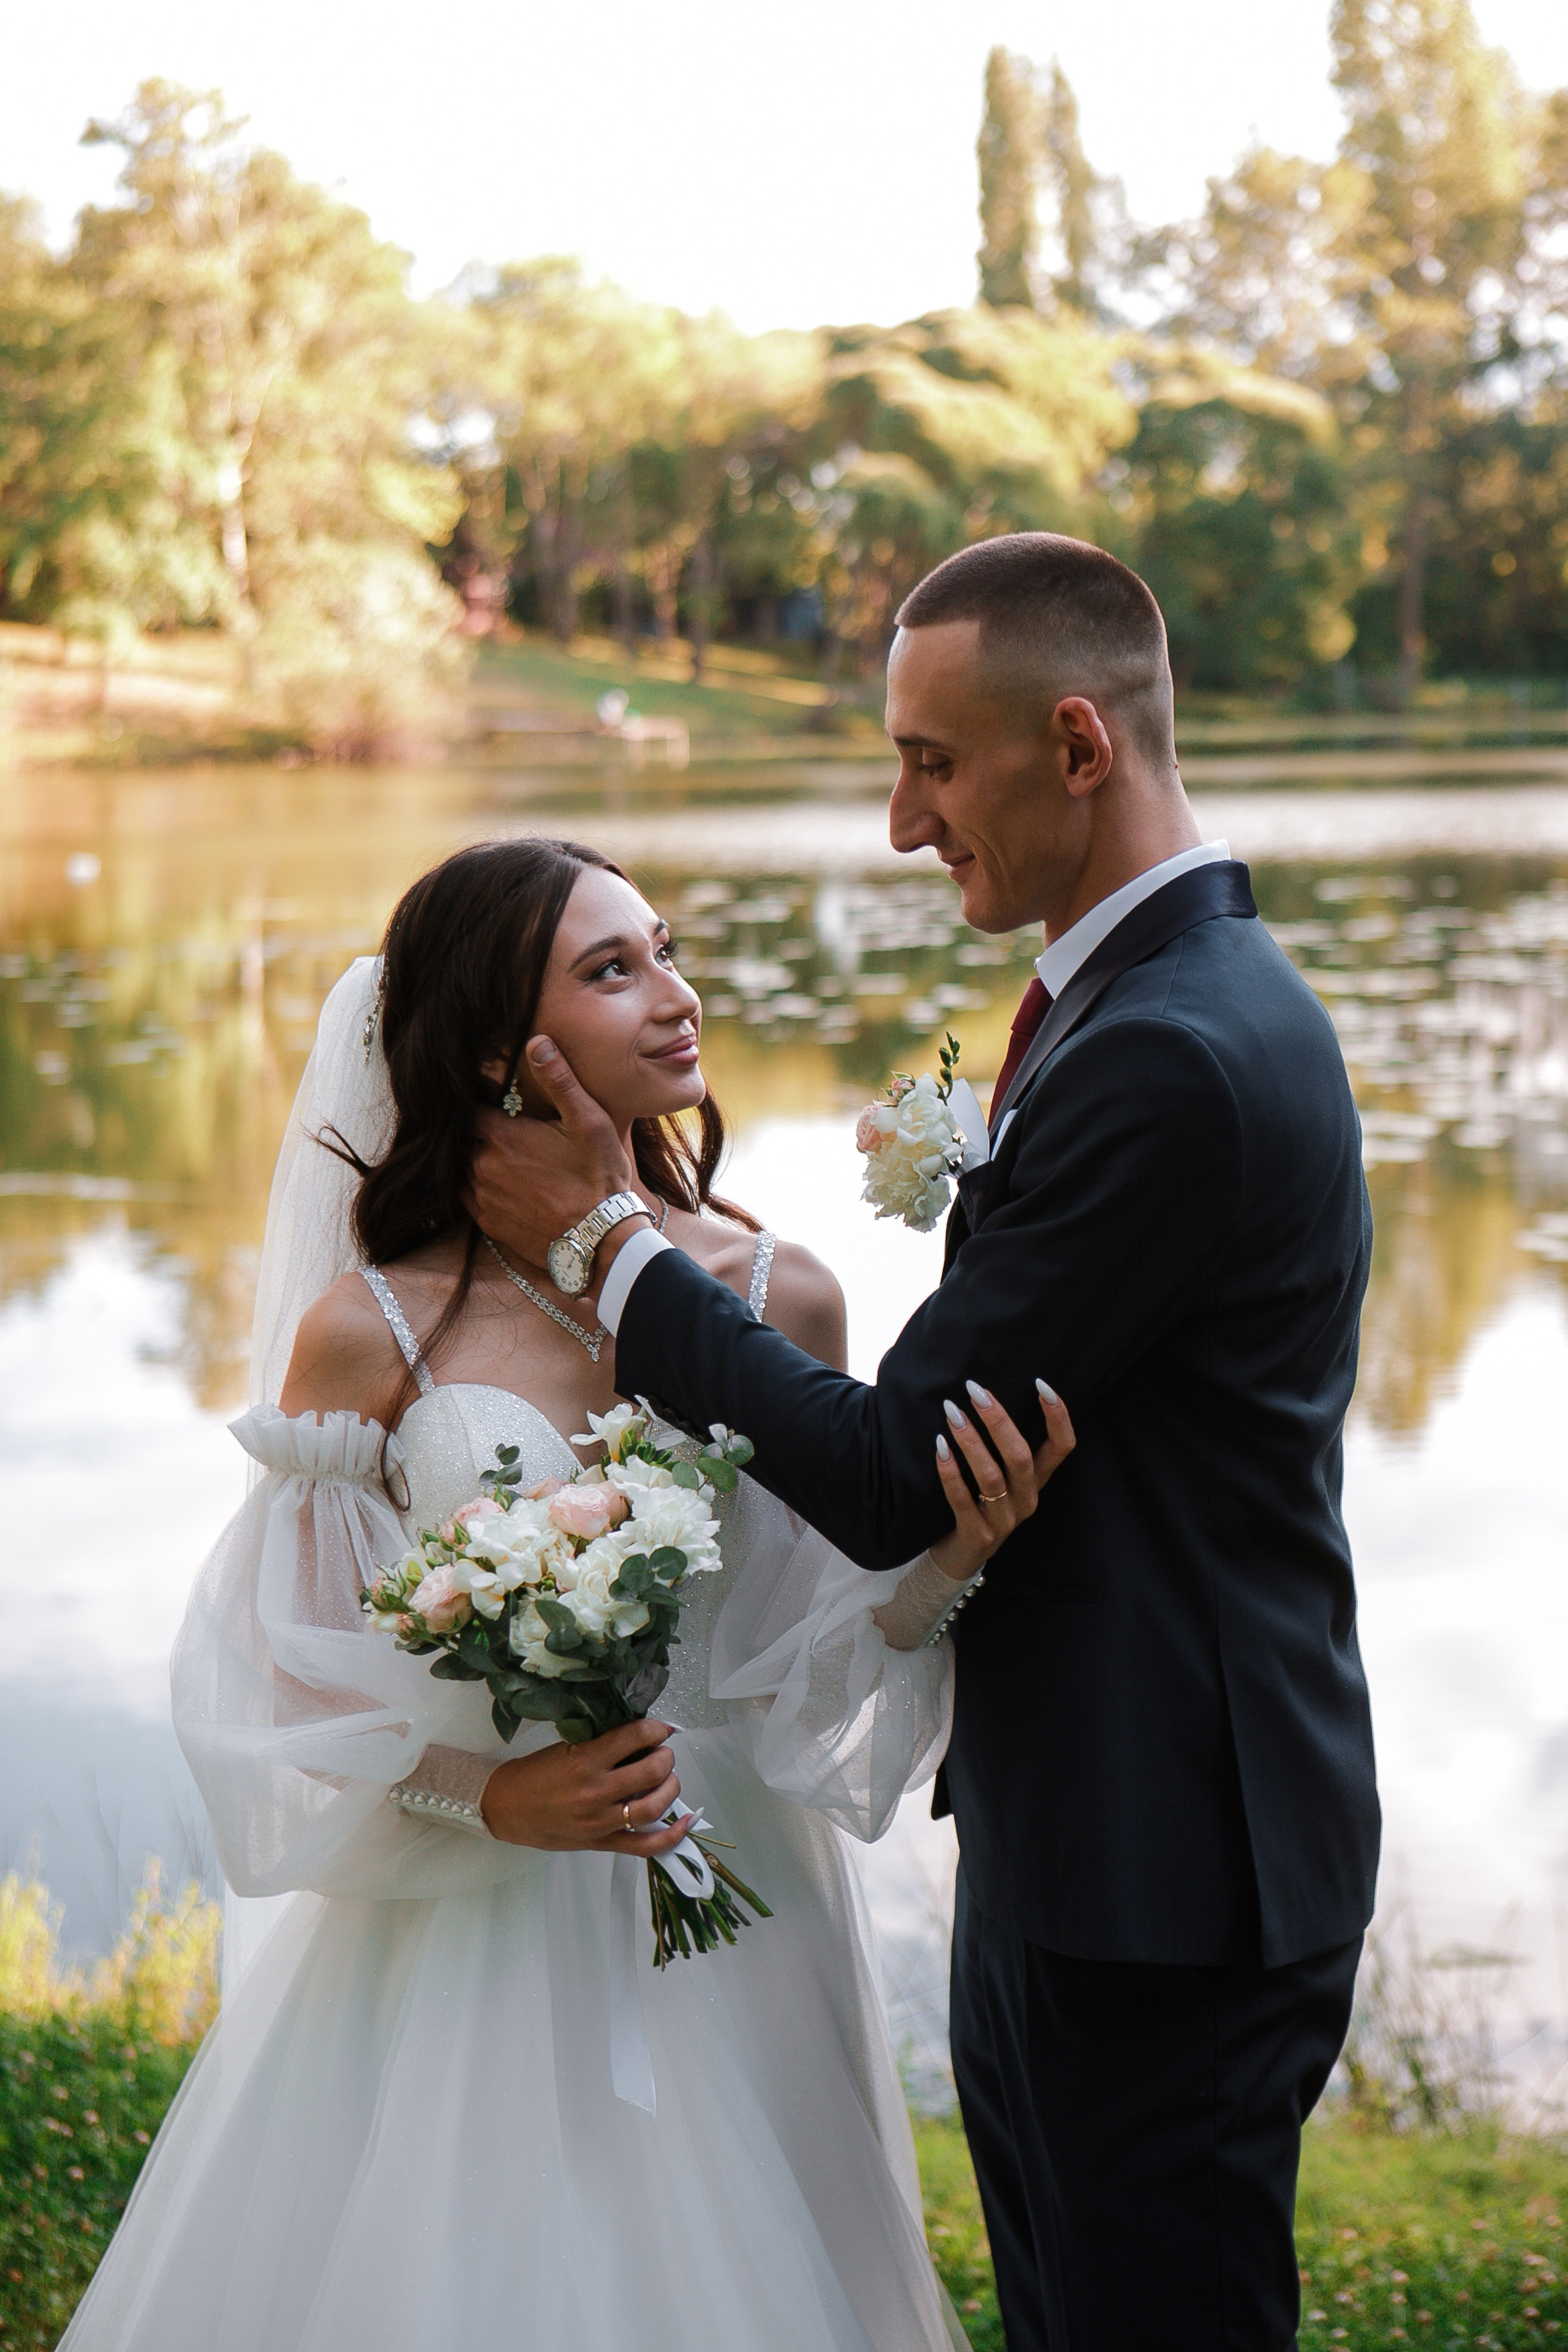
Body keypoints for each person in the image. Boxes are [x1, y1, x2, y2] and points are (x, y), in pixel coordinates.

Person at [468, 535, 1382, 2351]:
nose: (900, 821)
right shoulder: (1142, 1006)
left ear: (1074, 744)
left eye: (931, 763)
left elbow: (895, 1468)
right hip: (1103, 1828)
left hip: (1169, 1868)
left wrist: (606, 1242)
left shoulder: (1172, 1053)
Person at [59, 837, 1074, 2352]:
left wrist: (948, 1560)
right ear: (497, 1051)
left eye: (663, 948)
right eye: (613, 971)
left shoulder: (773, 1294)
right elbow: (287, 1683)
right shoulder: (372, 1333)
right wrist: (492, 1797)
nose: (675, 995)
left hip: (741, 1902)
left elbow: (796, 1668)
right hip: (477, 1933)